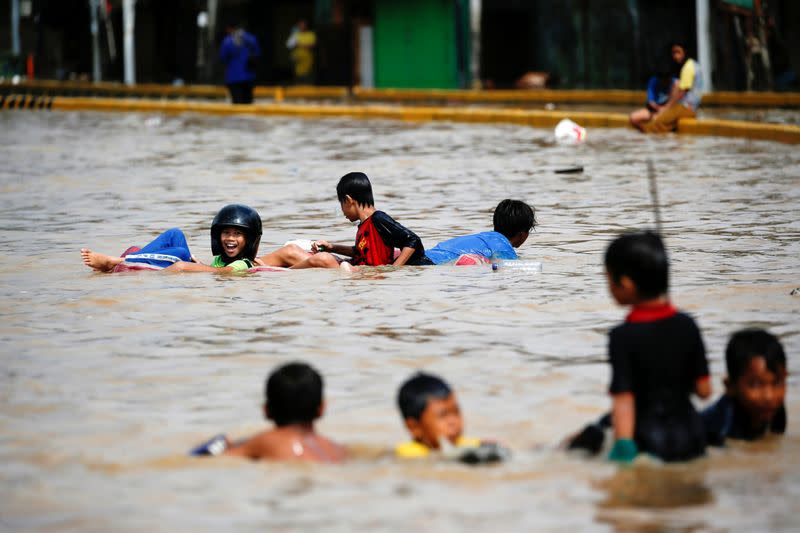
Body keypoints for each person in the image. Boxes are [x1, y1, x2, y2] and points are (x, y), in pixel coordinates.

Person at [602, 231, 712, 463]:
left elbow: (624, 399)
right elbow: (704, 390)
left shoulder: (621, 336)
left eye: (609, 279)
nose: (608, 286)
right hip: (692, 436)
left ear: (626, 284)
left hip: (648, 439)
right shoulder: (687, 324)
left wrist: (622, 446)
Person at [260, 172, 430, 270]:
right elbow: (362, 253)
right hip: (354, 268)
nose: (342, 211)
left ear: (348, 200)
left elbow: (413, 240)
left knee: (323, 259)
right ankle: (255, 264)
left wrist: (395, 269)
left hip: (364, 274)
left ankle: (274, 273)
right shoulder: (365, 224)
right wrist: (332, 247)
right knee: (292, 250)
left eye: (341, 204)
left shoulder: (379, 219)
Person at [192, 362, 347, 462]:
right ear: (322, 408)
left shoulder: (263, 442)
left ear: (266, 410)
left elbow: (202, 460)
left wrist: (220, 445)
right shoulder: (337, 449)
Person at [80, 204, 263, 273]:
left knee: (181, 253)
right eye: (226, 233)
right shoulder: (220, 259)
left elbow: (222, 273)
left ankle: (115, 262)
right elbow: (212, 267)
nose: (230, 238)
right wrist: (195, 262)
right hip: (185, 265)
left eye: (238, 234)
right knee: (175, 234)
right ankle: (125, 263)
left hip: (177, 268)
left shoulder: (241, 264)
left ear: (250, 240)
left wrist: (184, 265)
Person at [702, 329, 787, 445]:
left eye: (777, 383)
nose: (769, 396)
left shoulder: (772, 409)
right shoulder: (720, 429)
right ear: (730, 386)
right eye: (756, 385)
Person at [395, 372, 482, 458]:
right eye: (442, 416)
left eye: (456, 412)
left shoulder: (464, 445)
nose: (453, 422)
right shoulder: (410, 456)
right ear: (415, 427)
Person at [424, 199, 536, 264]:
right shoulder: (503, 247)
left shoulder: (484, 238)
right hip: (432, 264)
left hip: (424, 256)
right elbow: (507, 269)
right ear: (522, 234)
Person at [640, 41, 703, 133]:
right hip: (688, 107)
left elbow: (681, 92)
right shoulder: (692, 65)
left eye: (678, 52)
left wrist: (667, 107)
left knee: (656, 123)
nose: (675, 56)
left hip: (686, 107)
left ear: (685, 52)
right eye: (674, 53)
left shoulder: (688, 68)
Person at [629, 60, 677, 130]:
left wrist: (664, 110)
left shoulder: (675, 83)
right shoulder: (654, 81)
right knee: (633, 118)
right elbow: (651, 101)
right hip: (654, 110)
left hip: (670, 111)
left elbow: (676, 103)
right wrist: (659, 110)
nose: (664, 81)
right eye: (662, 78)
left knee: (657, 119)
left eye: (666, 78)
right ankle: (647, 133)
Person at [219, 23, 261, 104]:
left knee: (237, 105)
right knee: (248, 104)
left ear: (229, 29)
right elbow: (258, 53)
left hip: (233, 77)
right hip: (249, 76)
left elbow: (223, 57)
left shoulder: (227, 41)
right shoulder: (251, 39)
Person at [286, 19, 316, 85]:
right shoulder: (295, 35)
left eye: (303, 25)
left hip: (308, 64)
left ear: (306, 26)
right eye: (300, 25)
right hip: (297, 64)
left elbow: (312, 46)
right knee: (297, 82)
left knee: (307, 82)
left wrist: (299, 44)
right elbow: (289, 45)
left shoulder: (311, 34)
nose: (302, 26)